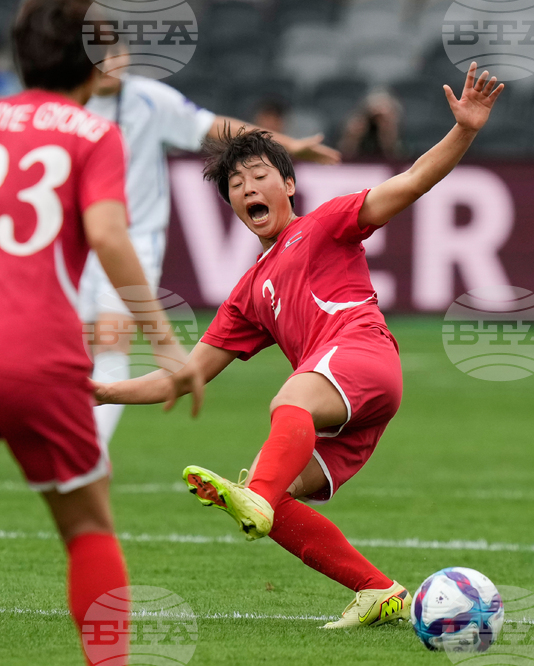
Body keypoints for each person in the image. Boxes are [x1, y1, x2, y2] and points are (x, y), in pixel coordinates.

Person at [94, 63, 503, 628]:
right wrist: (102, 391)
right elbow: (182, 376)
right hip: (345, 404)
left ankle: (255, 495)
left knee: (284, 412)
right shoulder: (246, 294)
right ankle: (377, 591)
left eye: (258, 176)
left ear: (289, 184)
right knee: (280, 495)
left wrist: (465, 130)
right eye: (236, 186)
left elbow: (410, 182)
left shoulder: (327, 223)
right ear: (232, 207)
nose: (247, 189)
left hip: (362, 355)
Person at [0, 1, 201, 664]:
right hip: (34, 354)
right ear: (92, 66)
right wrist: (166, 342)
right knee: (88, 528)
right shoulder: (92, 132)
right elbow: (110, 234)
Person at [80, 59, 341, 450]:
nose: (109, 62)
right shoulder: (67, 104)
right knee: (71, 345)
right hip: (75, 238)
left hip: (134, 239)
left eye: (115, 50)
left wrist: (289, 145)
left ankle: (91, 448)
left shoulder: (150, 99)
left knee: (111, 339)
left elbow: (217, 127)